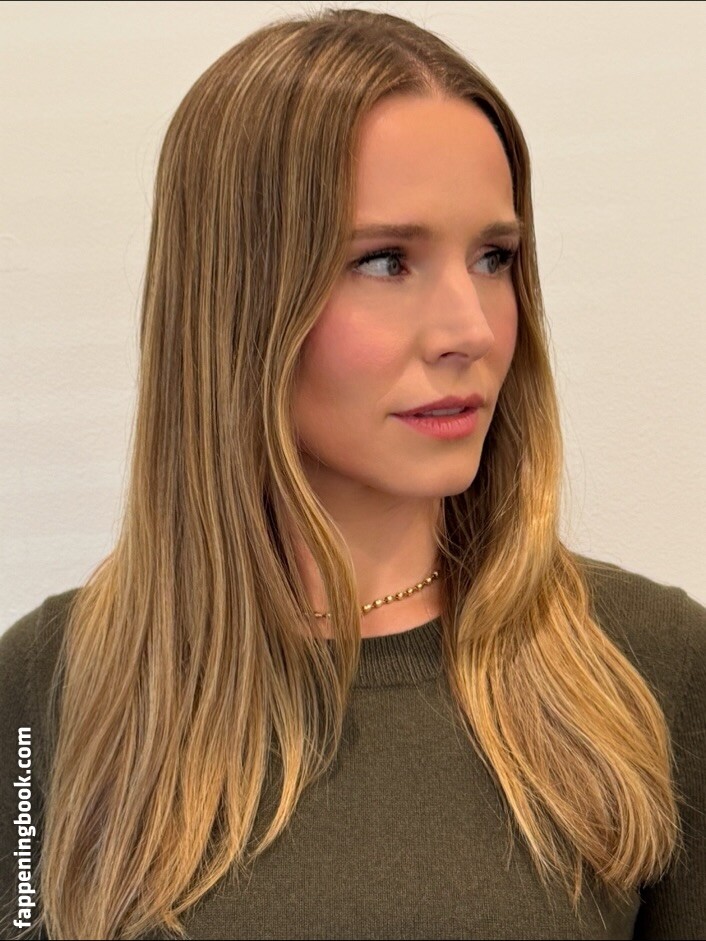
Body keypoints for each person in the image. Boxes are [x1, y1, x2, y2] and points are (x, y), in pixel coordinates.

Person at [0, 6, 703, 939]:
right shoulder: (46, 688)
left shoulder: (649, 666)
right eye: (384, 260)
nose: (471, 329)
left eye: (494, 257)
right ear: (236, 299)